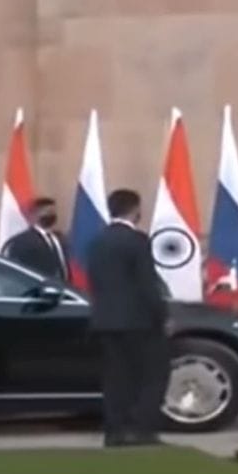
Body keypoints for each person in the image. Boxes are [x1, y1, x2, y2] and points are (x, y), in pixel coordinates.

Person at [85, 189, 170, 448]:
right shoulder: (137, 241)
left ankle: (114, 431)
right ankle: (142, 430)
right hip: (138, 321)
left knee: (115, 378)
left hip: (105, 320)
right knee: (151, 376)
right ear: (134, 209)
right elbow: (147, 284)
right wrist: (162, 315)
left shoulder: (96, 241)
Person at [2, 197, 68, 282]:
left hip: (63, 288)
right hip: (37, 288)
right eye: (46, 212)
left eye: (52, 212)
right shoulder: (23, 241)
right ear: (35, 214)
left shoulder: (59, 238)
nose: (50, 215)